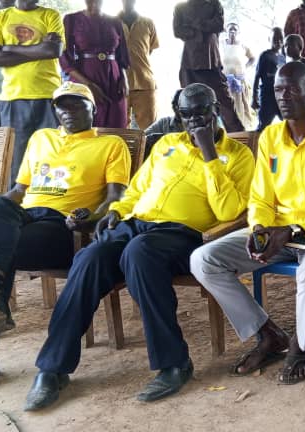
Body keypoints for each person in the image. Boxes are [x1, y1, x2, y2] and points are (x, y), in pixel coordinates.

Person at [25, 83, 254, 410]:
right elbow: (136, 189)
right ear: (178, 116)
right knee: (89, 258)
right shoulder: (166, 146)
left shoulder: (239, 155)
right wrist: (117, 211)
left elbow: (230, 212)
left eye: (202, 111)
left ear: (216, 110)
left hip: (183, 234)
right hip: (136, 225)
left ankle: (174, 363)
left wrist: (210, 156)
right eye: (186, 114)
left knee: (140, 253)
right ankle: (52, 367)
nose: (194, 119)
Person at [0, 82, 129, 400]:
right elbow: (18, 192)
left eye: (77, 104)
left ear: (93, 109)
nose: (69, 111)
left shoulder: (110, 144)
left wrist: (90, 217)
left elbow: (115, 199)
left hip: (62, 227)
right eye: (62, 106)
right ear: (55, 110)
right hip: (24, 217)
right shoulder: (41, 138)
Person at [191, 62, 305, 385]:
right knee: (203, 260)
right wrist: (259, 230)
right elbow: (261, 198)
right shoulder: (270, 137)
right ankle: (267, 333)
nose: (283, 96)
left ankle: (300, 347)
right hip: (278, 233)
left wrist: (293, 230)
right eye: (278, 89)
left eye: (292, 89)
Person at [0, 0, 64, 188]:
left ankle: (47, 202)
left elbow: (53, 50)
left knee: (50, 158)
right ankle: (13, 202)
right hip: (13, 96)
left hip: (49, 95)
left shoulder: (51, 15)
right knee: (15, 162)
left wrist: (9, 48)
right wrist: (39, 49)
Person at [173, 0, 244, 132]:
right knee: (189, 104)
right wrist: (201, 27)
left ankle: (239, 138)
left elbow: (218, 25)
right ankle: (194, 138)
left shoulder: (214, 4)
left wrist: (194, 25)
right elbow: (178, 31)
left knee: (225, 104)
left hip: (211, 61)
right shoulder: (180, 8)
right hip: (190, 62)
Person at [60, 0, 130, 128]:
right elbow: (64, 58)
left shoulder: (115, 22)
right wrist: (89, 85)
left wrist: (124, 79)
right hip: (84, 79)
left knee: (116, 122)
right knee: (87, 122)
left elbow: (122, 56)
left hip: (114, 80)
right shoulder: (71, 20)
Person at [119, 0, 159, 130]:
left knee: (149, 129)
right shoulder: (111, 23)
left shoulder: (148, 23)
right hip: (119, 85)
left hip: (145, 84)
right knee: (119, 129)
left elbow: (149, 50)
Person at [221, 22, 256, 130]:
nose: (232, 31)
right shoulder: (221, 44)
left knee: (240, 106)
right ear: (226, 31)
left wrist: (245, 67)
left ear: (238, 32)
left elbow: (252, 58)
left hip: (239, 80)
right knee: (227, 106)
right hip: (225, 81)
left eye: (235, 29)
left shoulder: (242, 45)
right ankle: (229, 128)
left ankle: (241, 128)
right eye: (230, 29)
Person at [253, 27, 285, 130]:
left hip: (280, 96)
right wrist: (254, 97)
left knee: (288, 123)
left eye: (281, 38)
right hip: (267, 97)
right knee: (263, 126)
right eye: (275, 38)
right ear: (269, 39)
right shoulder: (264, 56)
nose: (278, 41)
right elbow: (257, 76)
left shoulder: (283, 57)